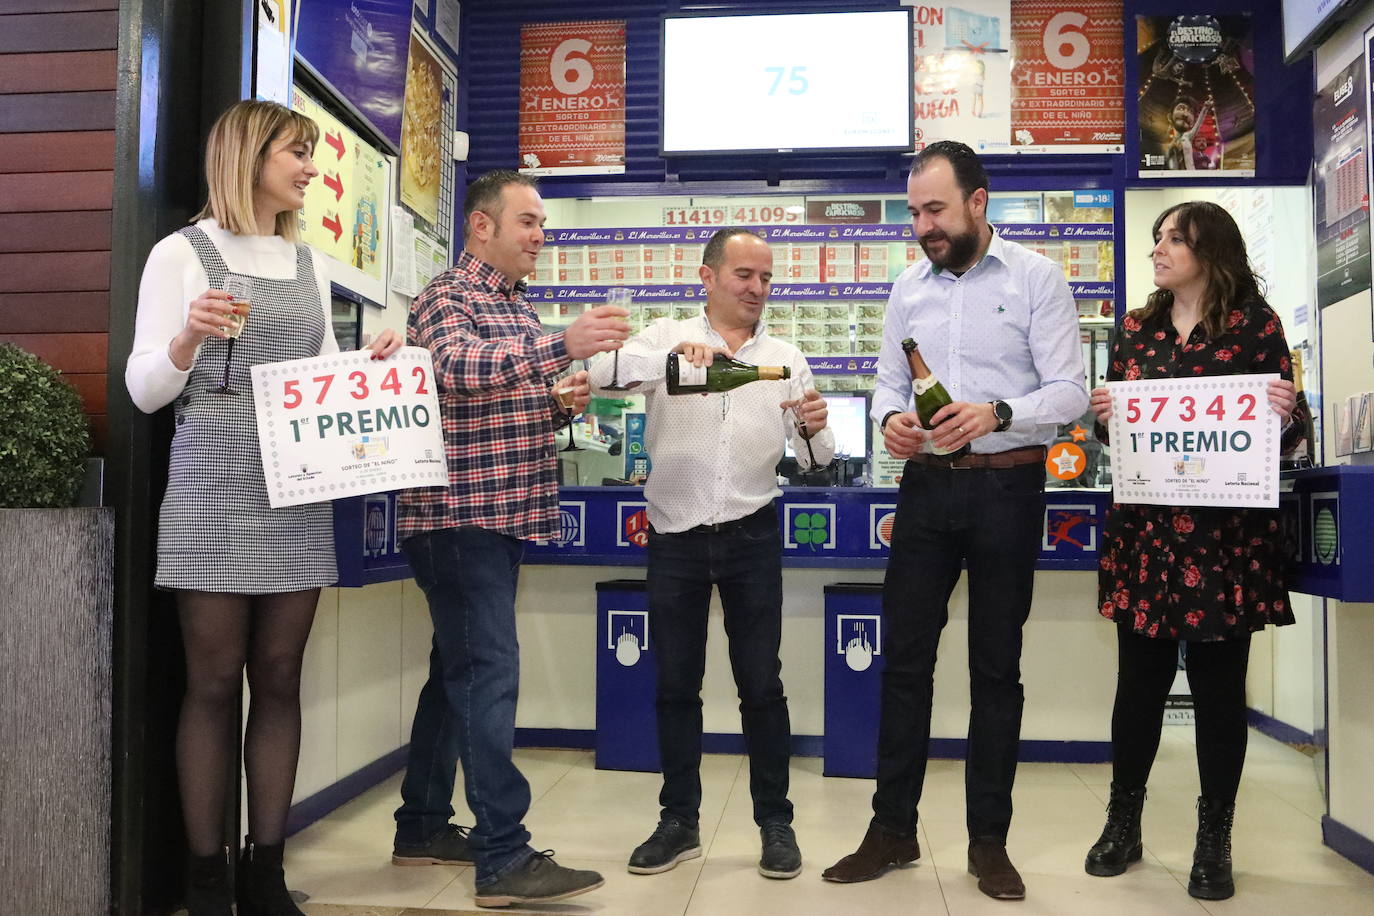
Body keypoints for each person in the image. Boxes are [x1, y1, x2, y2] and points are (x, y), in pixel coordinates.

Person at [125, 99, 402, 916]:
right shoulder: (181, 253)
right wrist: (186, 339)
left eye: (311, 154)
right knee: (212, 683)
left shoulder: (306, 261)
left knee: (280, 677)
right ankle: (207, 878)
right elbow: (145, 390)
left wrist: (368, 362)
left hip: (296, 489)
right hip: (211, 483)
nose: (312, 169)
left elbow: (315, 386)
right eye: (297, 152)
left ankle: (267, 870)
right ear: (248, 157)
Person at [823, 140, 1088, 900]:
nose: (923, 226)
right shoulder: (909, 287)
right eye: (914, 213)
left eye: (935, 209)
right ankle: (890, 830)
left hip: (1009, 486)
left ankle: (988, 843)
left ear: (979, 201)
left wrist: (1000, 412)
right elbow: (884, 387)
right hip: (926, 489)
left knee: (995, 671)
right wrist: (892, 424)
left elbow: (1069, 391)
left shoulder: (1038, 279)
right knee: (904, 662)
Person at [391, 170, 630, 908]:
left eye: (542, 225)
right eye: (526, 221)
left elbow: (504, 399)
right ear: (481, 227)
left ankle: (423, 825)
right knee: (487, 675)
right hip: (459, 517)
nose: (539, 236)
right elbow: (452, 368)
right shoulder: (447, 296)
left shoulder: (516, 309)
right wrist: (559, 347)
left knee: (455, 674)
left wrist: (559, 403)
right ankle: (502, 857)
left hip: (500, 518)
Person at [589, 227, 834, 881]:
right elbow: (597, 374)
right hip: (675, 534)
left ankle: (775, 825)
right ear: (707, 277)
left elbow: (817, 456)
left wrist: (815, 427)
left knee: (762, 687)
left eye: (765, 278)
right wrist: (674, 360)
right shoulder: (667, 335)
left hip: (754, 532)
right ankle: (679, 822)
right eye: (743, 275)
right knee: (675, 685)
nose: (756, 288)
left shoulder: (785, 354)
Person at [1083, 201, 1301, 901]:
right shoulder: (1136, 330)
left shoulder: (1257, 326)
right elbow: (1119, 441)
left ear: (1212, 249)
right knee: (1137, 688)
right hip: (1148, 535)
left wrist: (1285, 412)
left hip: (1224, 540)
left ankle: (1215, 837)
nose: (1158, 248)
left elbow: (1288, 435)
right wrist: (1105, 420)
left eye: (1174, 238)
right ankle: (1124, 821)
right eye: (1157, 237)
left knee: (1216, 693)